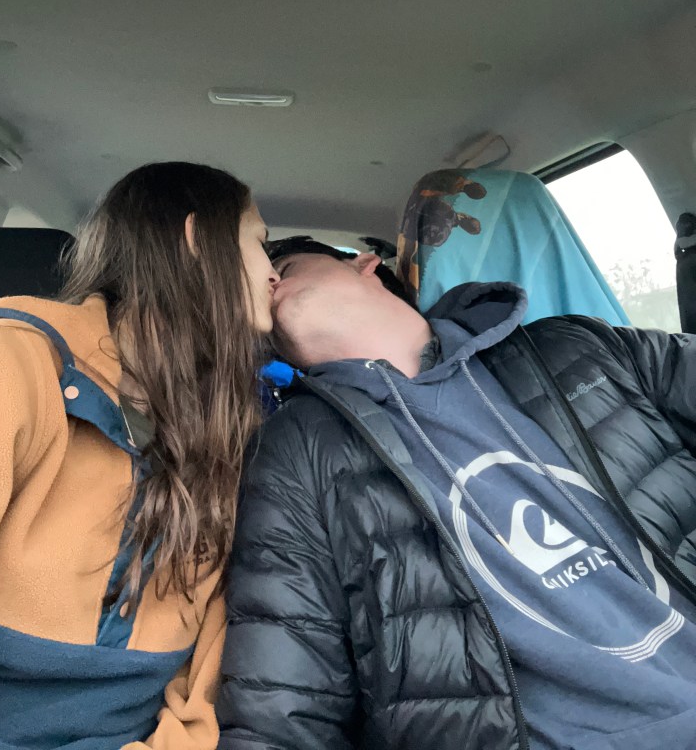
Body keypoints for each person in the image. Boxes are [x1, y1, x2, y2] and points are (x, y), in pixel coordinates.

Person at [217, 235, 696, 750]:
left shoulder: (573, 344)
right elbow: (282, 696)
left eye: (286, 265)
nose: (268, 278)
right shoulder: (292, 449)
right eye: (257, 280)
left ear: (364, 265)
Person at [0, 161, 279, 750]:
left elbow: (207, 675)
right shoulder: (1, 364)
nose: (273, 272)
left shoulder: (233, 428)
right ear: (198, 239)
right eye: (261, 244)